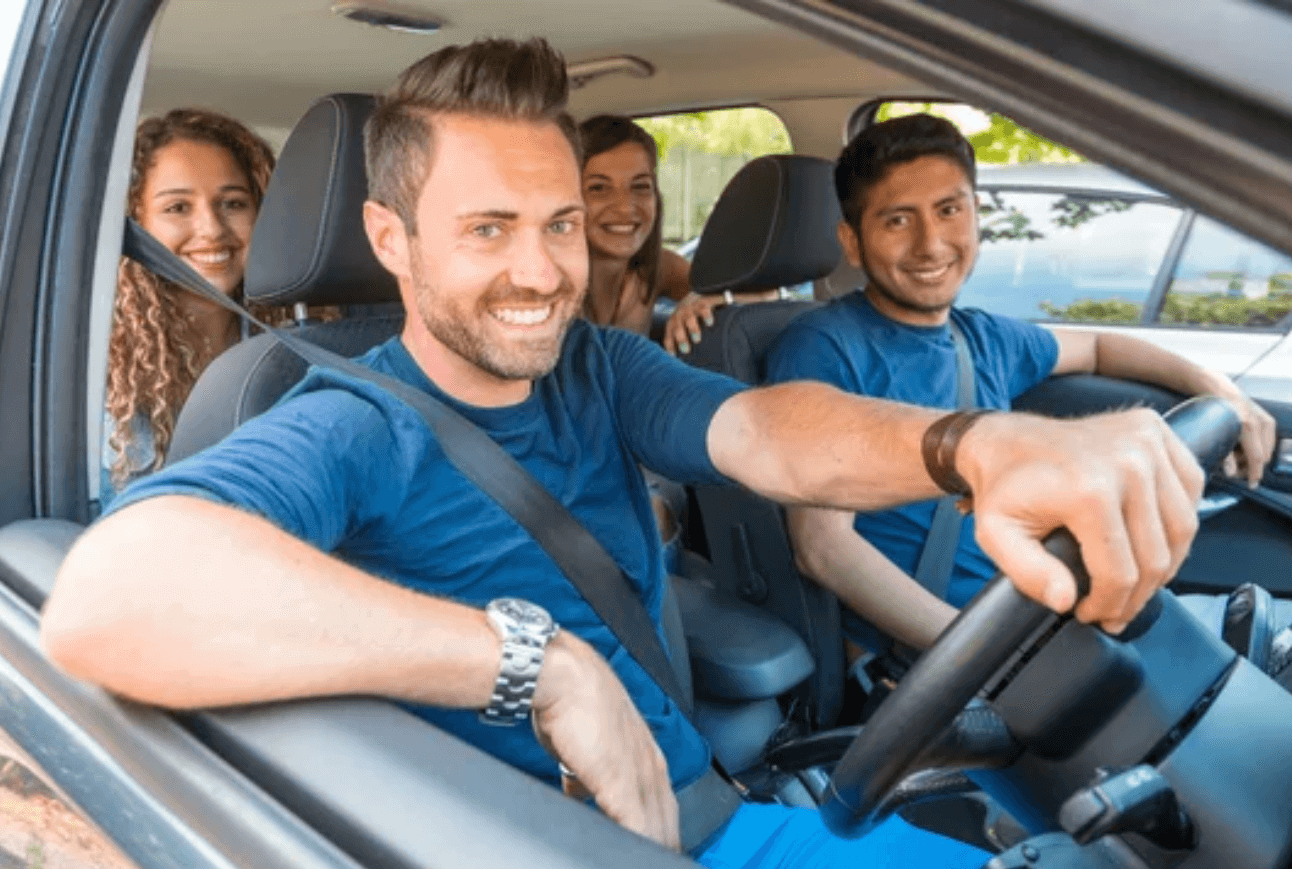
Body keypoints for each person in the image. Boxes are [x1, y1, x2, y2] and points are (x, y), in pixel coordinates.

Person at [42, 40, 1206, 868]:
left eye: (558, 222)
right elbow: (105, 594)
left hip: (722, 811)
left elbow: (763, 432)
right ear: (390, 240)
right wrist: (530, 661)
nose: (543, 270)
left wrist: (973, 442)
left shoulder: (596, 367)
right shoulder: (347, 418)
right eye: (488, 228)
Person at [766, 113, 1277, 658]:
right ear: (852, 241)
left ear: (975, 215)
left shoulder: (983, 338)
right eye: (897, 221)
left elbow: (1101, 348)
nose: (931, 243)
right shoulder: (822, 348)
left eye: (948, 210)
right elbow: (823, 547)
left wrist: (1220, 389)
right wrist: (981, 653)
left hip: (1030, 617)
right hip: (938, 659)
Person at [103, 108, 276, 504]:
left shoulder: (302, 352)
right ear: (135, 226)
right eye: (177, 208)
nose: (212, 229)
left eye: (233, 203)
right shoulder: (100, 376)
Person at [578, 114, 786, 356]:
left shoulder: (656, 268)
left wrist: (709, 299)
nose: (625, 207)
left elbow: (767, 294)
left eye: (640, 186)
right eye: (599, 188)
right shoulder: (547, 280)